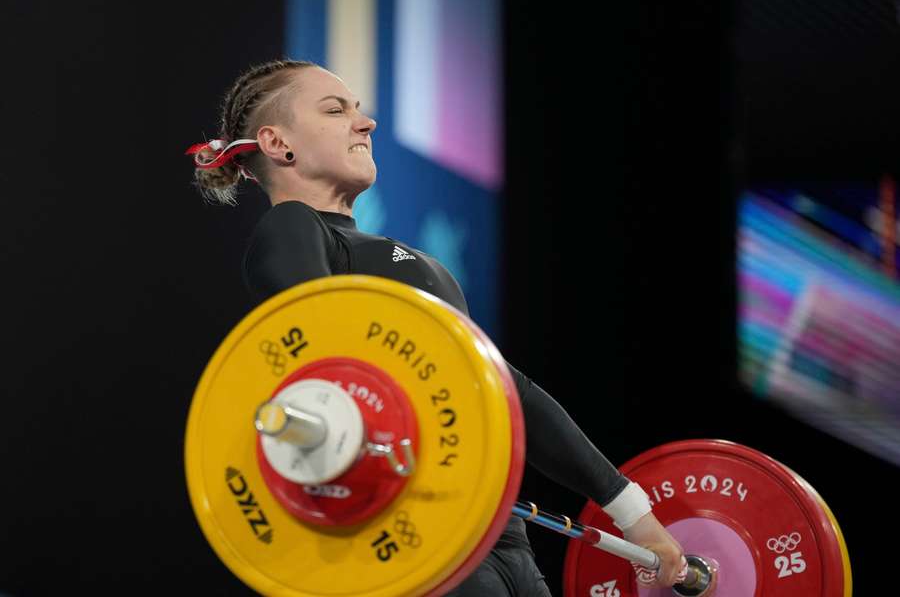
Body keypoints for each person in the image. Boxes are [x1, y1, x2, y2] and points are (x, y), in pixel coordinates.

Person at [187, 59, 685, 596]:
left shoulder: (393, 259)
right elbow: (317, 360)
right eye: (335, 110)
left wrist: (636, 516)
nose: (366, 122)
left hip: (497, 535)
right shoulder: (292, 226)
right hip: (416, 542)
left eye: (358, 108)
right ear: (278, 143)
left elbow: (508, 393)